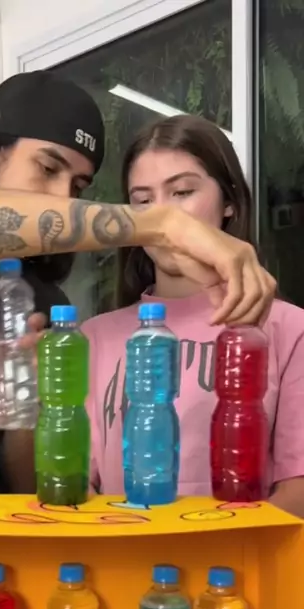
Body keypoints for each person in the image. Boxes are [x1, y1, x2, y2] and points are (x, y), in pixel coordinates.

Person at [0, 74, 275, 513]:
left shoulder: (47, 306)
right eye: (47, 168)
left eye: (78, 187)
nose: (63, 197)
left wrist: (28, 403)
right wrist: (163, 223)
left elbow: (24, 483)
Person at [81, 114, 304, 517]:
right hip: (120, 551)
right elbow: (74, 487)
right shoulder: (94, 336)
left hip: (239, 555)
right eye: (143, 201)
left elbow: (297, 492)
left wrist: (220, 549)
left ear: (229, 202)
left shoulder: (288, 329)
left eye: (182, 192)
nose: (163, 220)